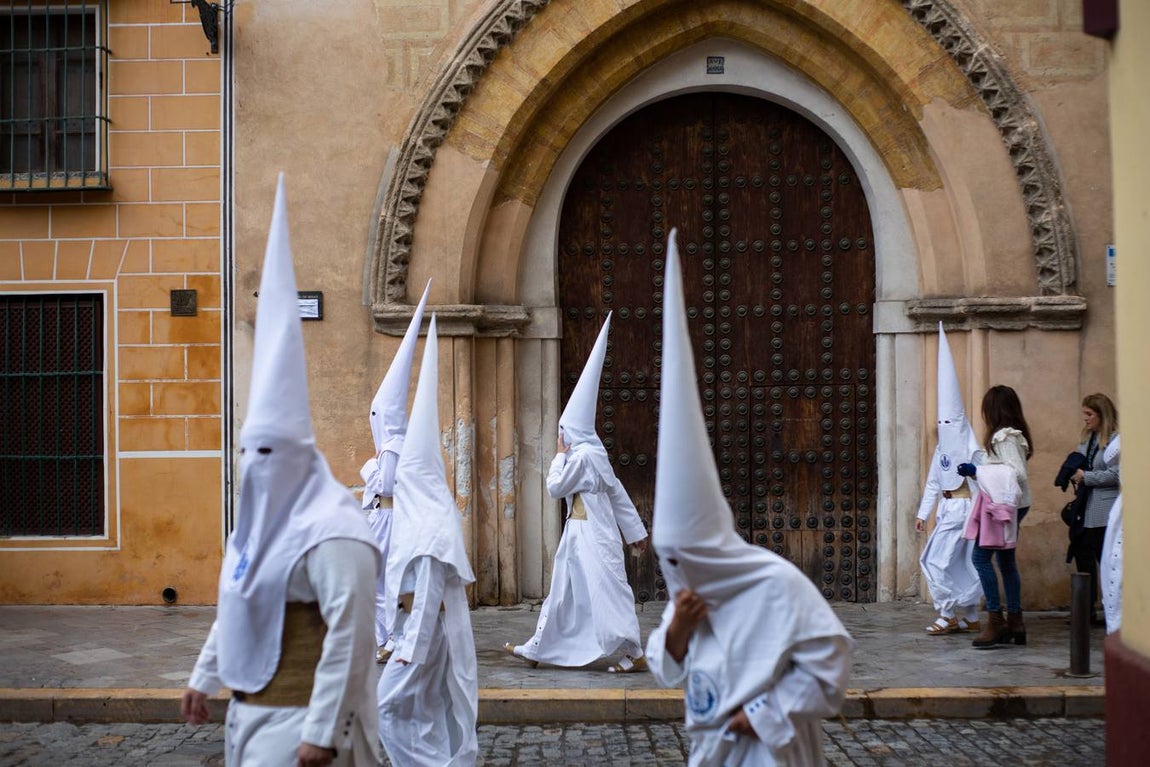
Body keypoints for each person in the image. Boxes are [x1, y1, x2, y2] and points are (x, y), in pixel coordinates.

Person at [181, 175, 381, 766]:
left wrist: (322, 731)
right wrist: (204, 677)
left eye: (267, 454)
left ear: (297, 456)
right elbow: (238, 602)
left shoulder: (334, 531)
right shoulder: (254, 534)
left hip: (302, 725)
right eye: (248, 452)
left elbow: (351, 634)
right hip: (247, 717)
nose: (254, 467)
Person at [645, 229, 854, 766]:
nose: (677, 573)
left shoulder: (777, 585)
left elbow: (830, 663)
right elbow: (667, 666)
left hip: (770, 750)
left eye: (684, 558)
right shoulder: (693, 594)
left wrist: (761, 712)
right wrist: (678, 629)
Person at [505, 313, 650, 673]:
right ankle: (539, 648)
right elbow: (617, 492)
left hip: (591, 533)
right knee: (564, 590)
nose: (562, 437)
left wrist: (558, 455)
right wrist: (635, 532)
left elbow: (555, 487)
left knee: (606, 590)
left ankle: (633, 651)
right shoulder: (595, 453)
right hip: (580, 530)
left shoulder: (583, 457)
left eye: (563, 431)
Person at [377, 314, 479, 767]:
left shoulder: (432, 522)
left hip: (425, 635)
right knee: (421, 710)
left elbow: (430, 591)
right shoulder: (421, 515)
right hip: (414, 631)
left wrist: (409, 649)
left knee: (387, 706)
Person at [360, 279, 430, 663]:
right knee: (383, 582)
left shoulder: (390, 447)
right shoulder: (398, 443)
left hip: (387, 521)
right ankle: (387, 637)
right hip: (385, 519)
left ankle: (389, 637)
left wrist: (368, 466)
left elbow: (385, 485)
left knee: (382, 583)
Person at [912, 324, 983, 636]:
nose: (943, 425)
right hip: (947, 509)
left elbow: (983, 481)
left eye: (948, 421)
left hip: (966, 511)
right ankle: (969, 615)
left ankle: (948, 613)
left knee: (937, 561)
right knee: (952, 563)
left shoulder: (973, 449)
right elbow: (933, 482)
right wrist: (922, 513)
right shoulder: (942, 447)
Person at [958, 385, 1033, 648]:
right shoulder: (1011, 435)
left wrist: (977, 471)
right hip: (1013, 505)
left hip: (1003, 507)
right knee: (1006, 562)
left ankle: (996, 619)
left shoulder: (1004, 437)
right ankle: (1015, 620)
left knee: (980, 558)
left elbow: (1017, 472)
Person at [1070, 393, 1120, 625]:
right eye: (1084, 414)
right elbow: (1079, 463)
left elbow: (1117, 474)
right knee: (1083, 558)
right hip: (1086, 508)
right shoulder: (1087, 439)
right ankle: (1085, 611)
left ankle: (1113, 612)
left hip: (1105, 510)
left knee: (1106, 561)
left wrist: (1087, 477)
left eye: (1089, 414)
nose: (1085, 418)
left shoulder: (1115, 440)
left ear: (1102, 415)